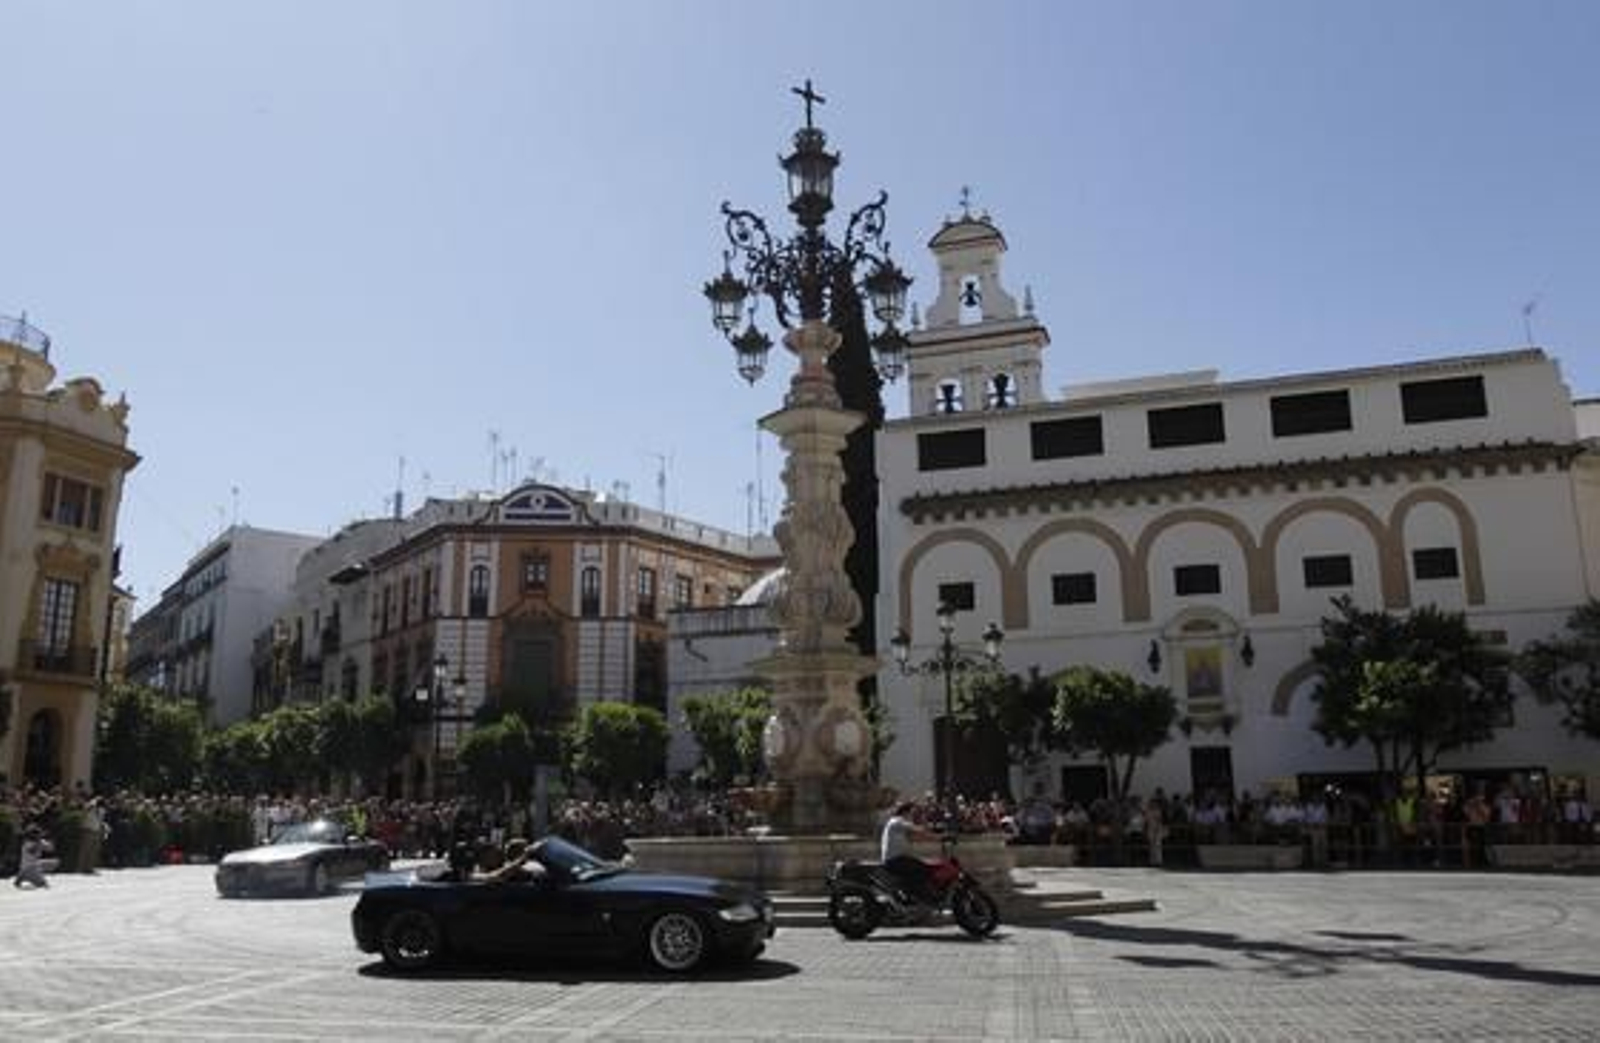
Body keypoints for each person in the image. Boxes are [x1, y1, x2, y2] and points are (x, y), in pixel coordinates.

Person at [881, 801, 936, 903]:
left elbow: (916, 837)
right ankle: (914, 896)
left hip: (898, 858)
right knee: (924, 869)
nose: (913, 816)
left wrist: (938, 838)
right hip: (895, 860)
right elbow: (920, 830)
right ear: (906, 812)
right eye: (912, 812)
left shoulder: (898, 823)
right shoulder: (897, 822)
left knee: (920, 866)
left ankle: (910, 893)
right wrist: (924, 818)